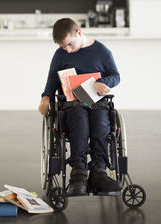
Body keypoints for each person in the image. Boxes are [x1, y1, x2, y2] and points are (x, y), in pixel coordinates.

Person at [38, 18, 122, 196]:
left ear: (79, 32)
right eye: (63, 47)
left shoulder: (101, 51)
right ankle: (79, 171)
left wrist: (103, 82)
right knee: (80, 124)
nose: (67, 50)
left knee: (100, 126)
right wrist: (45, 97)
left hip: (97, 103)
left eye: (69, 44)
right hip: (72, 104)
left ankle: (99, 171)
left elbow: (116, 76)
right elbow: (52, 79)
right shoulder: (60, 55)